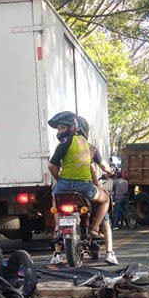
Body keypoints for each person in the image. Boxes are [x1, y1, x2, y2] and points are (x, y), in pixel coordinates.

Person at [47, 111, 111, 265]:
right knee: (106, 199)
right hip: (85, 188)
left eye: (62, 128)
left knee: (55, 198)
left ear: (73, 127)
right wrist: (111, 172)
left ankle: (58, 228)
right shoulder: (90, 148)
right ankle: (94, 229)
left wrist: (60, 180)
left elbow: (51, 166)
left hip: (64, 186)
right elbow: (103, 167)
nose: (59, 132)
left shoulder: (64, 143)